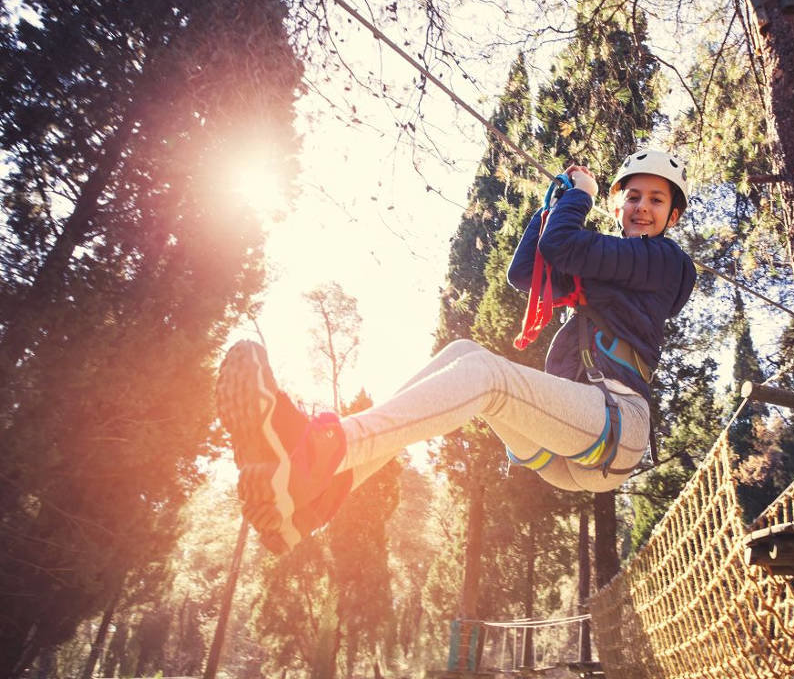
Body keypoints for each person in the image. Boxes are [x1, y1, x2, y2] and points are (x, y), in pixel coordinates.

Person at [216, 148, 697, 554]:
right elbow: (526, 272)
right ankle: (315, 500)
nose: (641, 207)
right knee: (462, 350)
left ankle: (319, 451)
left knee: (489, 377)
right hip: (568, 444)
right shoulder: (612, 264)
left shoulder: (666, 262)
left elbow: (567, 248)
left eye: (656, 200)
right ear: (619, 207)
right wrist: (548, 210)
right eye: (632, 196)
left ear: (672, 217)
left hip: (617, 425)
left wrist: (581, 195)